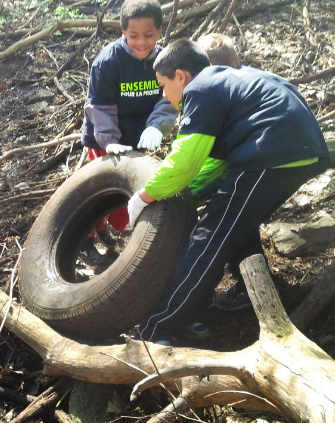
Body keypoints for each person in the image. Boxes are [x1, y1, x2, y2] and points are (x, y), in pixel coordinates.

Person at [127, 38, 329, 342]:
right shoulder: (231, 80)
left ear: (180, 76)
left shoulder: (201, 89)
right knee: (235, 220)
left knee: (210, 234)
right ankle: (251, 291)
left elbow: (185, 160)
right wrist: (184, 194)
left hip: (271, 152)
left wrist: (144, 196)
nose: (166, 96)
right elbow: (210, 165)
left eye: (163, 85)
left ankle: (162, 327)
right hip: (296, 150)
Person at [80, 0, 177, 235]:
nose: (141, 42)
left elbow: (169, 99)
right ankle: (89, 235)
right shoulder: (108, 62)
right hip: (105, 139)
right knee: (99, 191)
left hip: (137, 139)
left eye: (149, 35)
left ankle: (116, 231)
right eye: (133, 35)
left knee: (124, 194)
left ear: (160, 32)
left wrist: (157, 127)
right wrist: (109, 140)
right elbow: (99, 107)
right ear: (123, 31)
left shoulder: (164, 62)